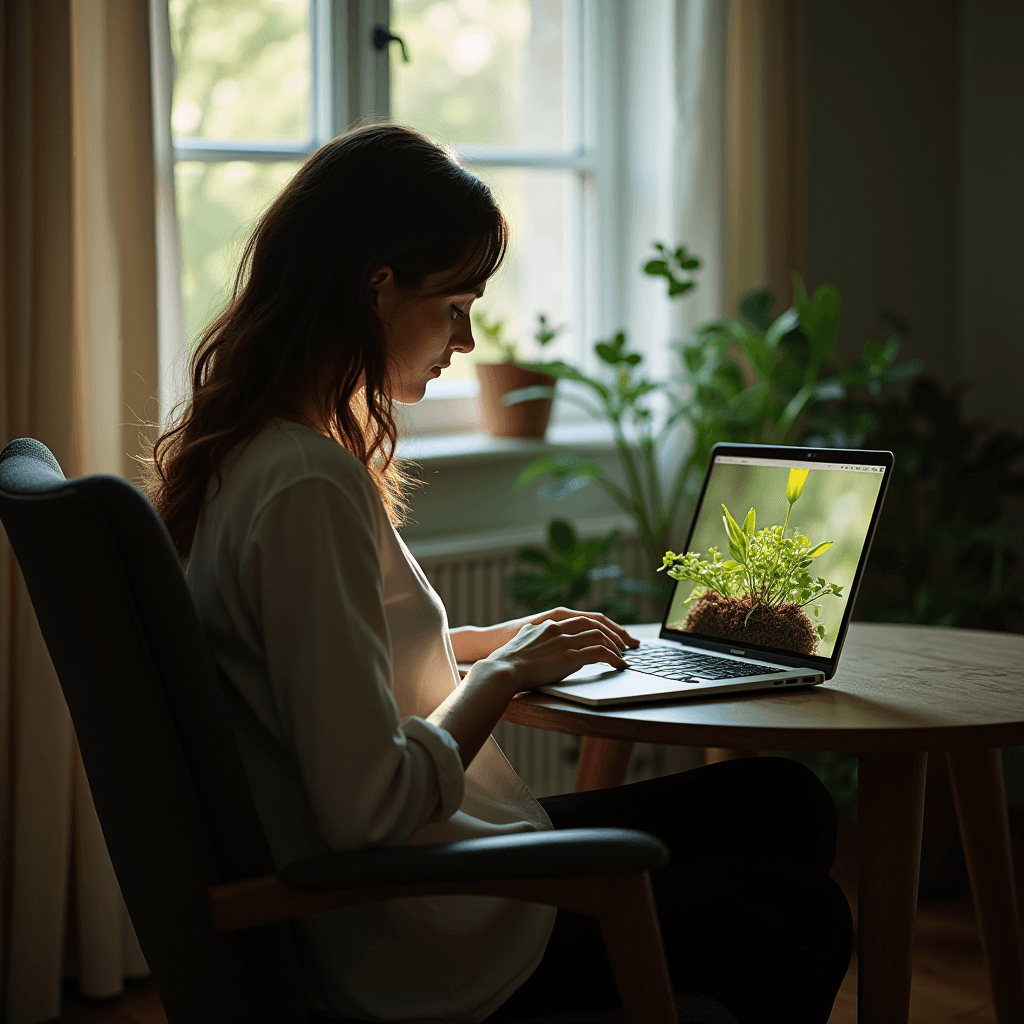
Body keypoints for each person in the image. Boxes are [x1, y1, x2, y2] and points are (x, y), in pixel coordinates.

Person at [146, 123, 852, 1024]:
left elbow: (320, 672)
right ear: (377, 288)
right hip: (434, 933)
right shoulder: (302, 486)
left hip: (432, 879)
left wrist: (486, 644)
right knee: (802, 918)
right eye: (455, 305)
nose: (468, 340)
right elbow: (369, 810)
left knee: (779, 801)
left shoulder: (257, 457)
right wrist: (506, 675)